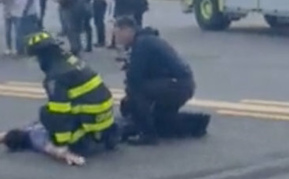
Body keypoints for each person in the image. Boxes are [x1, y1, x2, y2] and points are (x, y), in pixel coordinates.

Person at [113, 16, 207, 145]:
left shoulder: (142, 44)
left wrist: (129, 99)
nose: (117, 39)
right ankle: (196, 123)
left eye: (118, 34)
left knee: (137, 92)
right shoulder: (147, 40)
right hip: (180, 84)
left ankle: (147, 135)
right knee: (161, 122)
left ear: (127, 30)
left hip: (178, 85)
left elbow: (135, 78)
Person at [24, 31, 117, 151]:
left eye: (36, 58)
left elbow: (60, 112)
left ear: (42, 55)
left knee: (46, 112)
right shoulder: (71, 60)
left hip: (88, 124)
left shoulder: (56, 75)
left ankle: (78, 139)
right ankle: (101, 134)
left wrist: (62, 142)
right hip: (104, 119)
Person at [0, 123, 86, 166]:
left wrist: (68, 156)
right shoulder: (29, 129)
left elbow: (50, 149)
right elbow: (2, 136)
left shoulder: (34, 140)